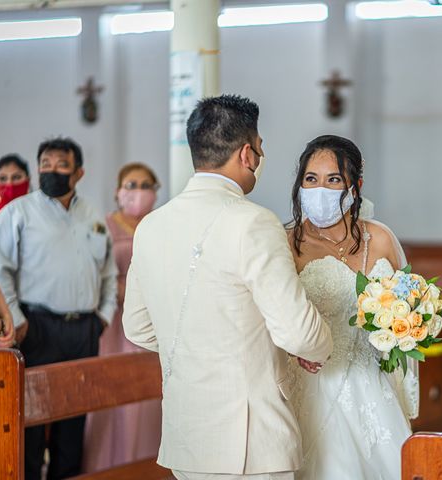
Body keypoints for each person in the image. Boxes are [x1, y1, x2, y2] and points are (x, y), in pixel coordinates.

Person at [122, 94, 333, 480]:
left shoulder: (151, 225)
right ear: (248, 154)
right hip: (250, 442)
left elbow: (137, 327)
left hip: (186, 436)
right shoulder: (253, 222)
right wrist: (320, 348)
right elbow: (299, 331)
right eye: (261, 147)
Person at [286, 135, 418, 480]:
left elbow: (410, 303)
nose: (320, 190)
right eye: (310, 179)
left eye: (333, 180)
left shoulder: (381, 238)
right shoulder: (287, 243)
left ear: (355, 187)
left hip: (372, 382)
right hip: (314, 381)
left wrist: (405, 324)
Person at [0, 137, 117, 480]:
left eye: (60, 165)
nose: (51, 171)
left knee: (74, 419)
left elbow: (108, 271)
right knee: (32, 422)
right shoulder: (17, 213)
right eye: (45, 164)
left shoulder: (92, 214)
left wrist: (103, 316)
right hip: (37, 327)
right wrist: (17, 320)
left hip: (84, 329)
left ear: (78, 172)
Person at [83, 163, 162, 472]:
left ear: (155, 192)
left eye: (145, 185)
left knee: (149, 396)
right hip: (115, 322)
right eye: (131, 184)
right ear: (118, 191)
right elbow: (95, 273)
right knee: (112, 392)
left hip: (153, 320)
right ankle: (108, 466)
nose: (138, 191)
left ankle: (147, 466)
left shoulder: (160, 224)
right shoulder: (104, 226)